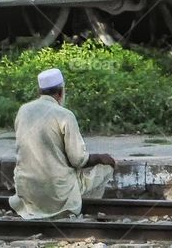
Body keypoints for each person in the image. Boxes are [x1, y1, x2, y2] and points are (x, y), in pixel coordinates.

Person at [9, 68, 116, 218]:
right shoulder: (65, 115)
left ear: (40, 92)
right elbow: (78, 160)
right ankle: (80, 210)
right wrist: (100, 157)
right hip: (57, 194)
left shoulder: (23, 111)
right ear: (60, 93)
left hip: (28, 192)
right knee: (105, 166)